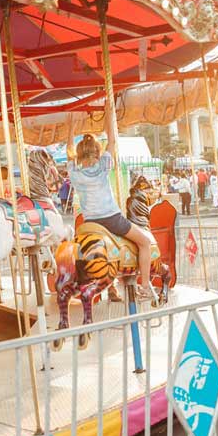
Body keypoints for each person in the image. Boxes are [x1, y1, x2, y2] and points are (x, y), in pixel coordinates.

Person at [66, 113, 157, 301]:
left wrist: (71, 127)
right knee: (145, 242)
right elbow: (112, 142)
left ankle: (109, 285)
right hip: (112, 219)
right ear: (97, 153)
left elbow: (69, 150)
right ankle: (146, 286)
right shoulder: (102, 167)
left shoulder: (74, 172)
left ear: (79, 154)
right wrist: (109, 114)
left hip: (89, 223)